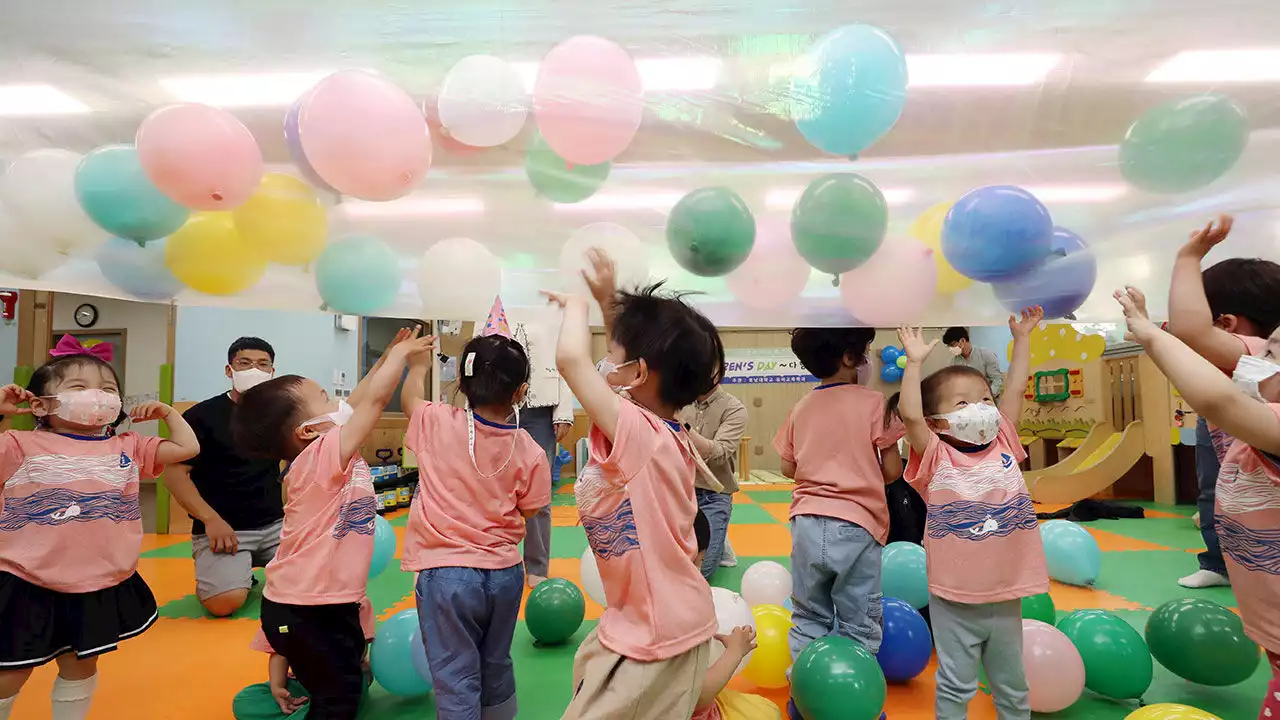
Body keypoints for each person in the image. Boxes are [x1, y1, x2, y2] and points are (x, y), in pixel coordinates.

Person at [545, 248, 722, 719]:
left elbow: (569, 359)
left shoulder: (640, 434)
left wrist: (577, 306)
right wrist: (608, 302)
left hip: (658, 629)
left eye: (614, 357)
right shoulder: (657, 428)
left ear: (639, 374)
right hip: (643, 617)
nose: (606, 362)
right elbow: (624, 361)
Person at [232, 327, 434, 720]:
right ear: (308, 431)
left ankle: (301, 681)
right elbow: (372, 403)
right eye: (325, 398)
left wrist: (385, 356)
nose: (339, 402)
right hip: (307, 610)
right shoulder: (322, 456)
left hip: (323, 603)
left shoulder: (316, 450)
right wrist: (403, 358)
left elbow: (357, 399)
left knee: (348, 678)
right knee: (337, 699)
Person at [0, 337, 200, 720]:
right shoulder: (18, 444)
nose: (98, 396)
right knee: (10, 671)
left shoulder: (127, 445)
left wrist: (169, 413)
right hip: (27, 580)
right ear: (40, 405)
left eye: (108, 390)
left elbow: (186, 449)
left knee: (81, 665)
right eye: (80, 387)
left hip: (97, 581)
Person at [1115, 286, 1280, 720]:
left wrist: (1150, 334)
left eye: (1273, 357)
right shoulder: (1249, 430)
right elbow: (1202, 350)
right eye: (1264, 348)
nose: (1255, 361)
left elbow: (1214, 397)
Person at [400, 299, 550, 720]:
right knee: (496, 660)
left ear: (462, 385)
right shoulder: (531, 449)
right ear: (521, 392)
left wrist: (416, 368)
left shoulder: (435, 421)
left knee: (454, 672)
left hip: (446, 575)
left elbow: (411, 398)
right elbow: (533, 510)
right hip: (504, 574)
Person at [895, 306, 1047, 720]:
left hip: (1006, 591)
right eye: (963, 403)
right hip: (955, 595)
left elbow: (1014, 389)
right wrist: (913, 362)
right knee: (956, 683)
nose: (980, 409)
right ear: (938, 420)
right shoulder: (935, 455)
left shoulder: (1003, 443)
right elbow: (910, 414)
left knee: (1012, 684)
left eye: (984, 400)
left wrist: (1024, 338)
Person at [774, 327, 903, 720]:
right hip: (859, 525)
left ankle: (805, 696)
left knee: (808, 615)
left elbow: (787, 466)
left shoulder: (802, 407)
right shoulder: (874, 403)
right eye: (865, 352)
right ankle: (853, 699)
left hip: (807, 523)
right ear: (850, 358)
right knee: (859, 620)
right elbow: (893, 471)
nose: (867, 359)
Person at [1164, 215, 1280, 589]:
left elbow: (1190, 330)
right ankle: (1218, 562)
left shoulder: (1258, 352)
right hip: (1226, 439)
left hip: (1255, 452)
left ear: (1227, 324)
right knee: (1212, 494)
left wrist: (1188, 258)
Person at [165, 336, 284, 617]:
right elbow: (174, 474)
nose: (254, 370)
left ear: (272, 373)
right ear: (229, 370)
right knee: (224, 604)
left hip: (276, 526)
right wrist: (210, 520)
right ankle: (231, 574)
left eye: (262, 364)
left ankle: (247, 568)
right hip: (223, 530)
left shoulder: (280, 416)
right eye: (245, 363)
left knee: (316, 584)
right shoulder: (201, 416)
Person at [478, 301, 574, 588]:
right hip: (495, 403)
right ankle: (491, 560)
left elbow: (565, 359)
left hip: (540, 407)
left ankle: (536, 564)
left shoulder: (551, 307)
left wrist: (564, 411)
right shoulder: (486, 297)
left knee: (538, 493)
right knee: (490, 488)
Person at [231, 597, 376, 720]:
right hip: (302, 682)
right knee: (245, 700)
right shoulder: (283, 604)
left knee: (345, 699)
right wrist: (278, 688)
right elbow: (280, 651)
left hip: (343, 682)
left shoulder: (355, 601)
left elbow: (359, 649)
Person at [680, 372, 748, 578]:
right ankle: (716, 536)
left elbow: (719, 454)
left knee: (702, 572)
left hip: (714, 494)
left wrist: (682, 426)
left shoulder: (734, 408)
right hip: (681, 491)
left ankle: (717, 535)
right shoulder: (679, 401)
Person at [942, 327, 1005, 399]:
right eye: (948, 346)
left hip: (987, 401)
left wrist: (986, 397)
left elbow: (997, 380)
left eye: (952, 344)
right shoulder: (953, 362)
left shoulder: (986, 355)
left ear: (962, 341)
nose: (950, 348)